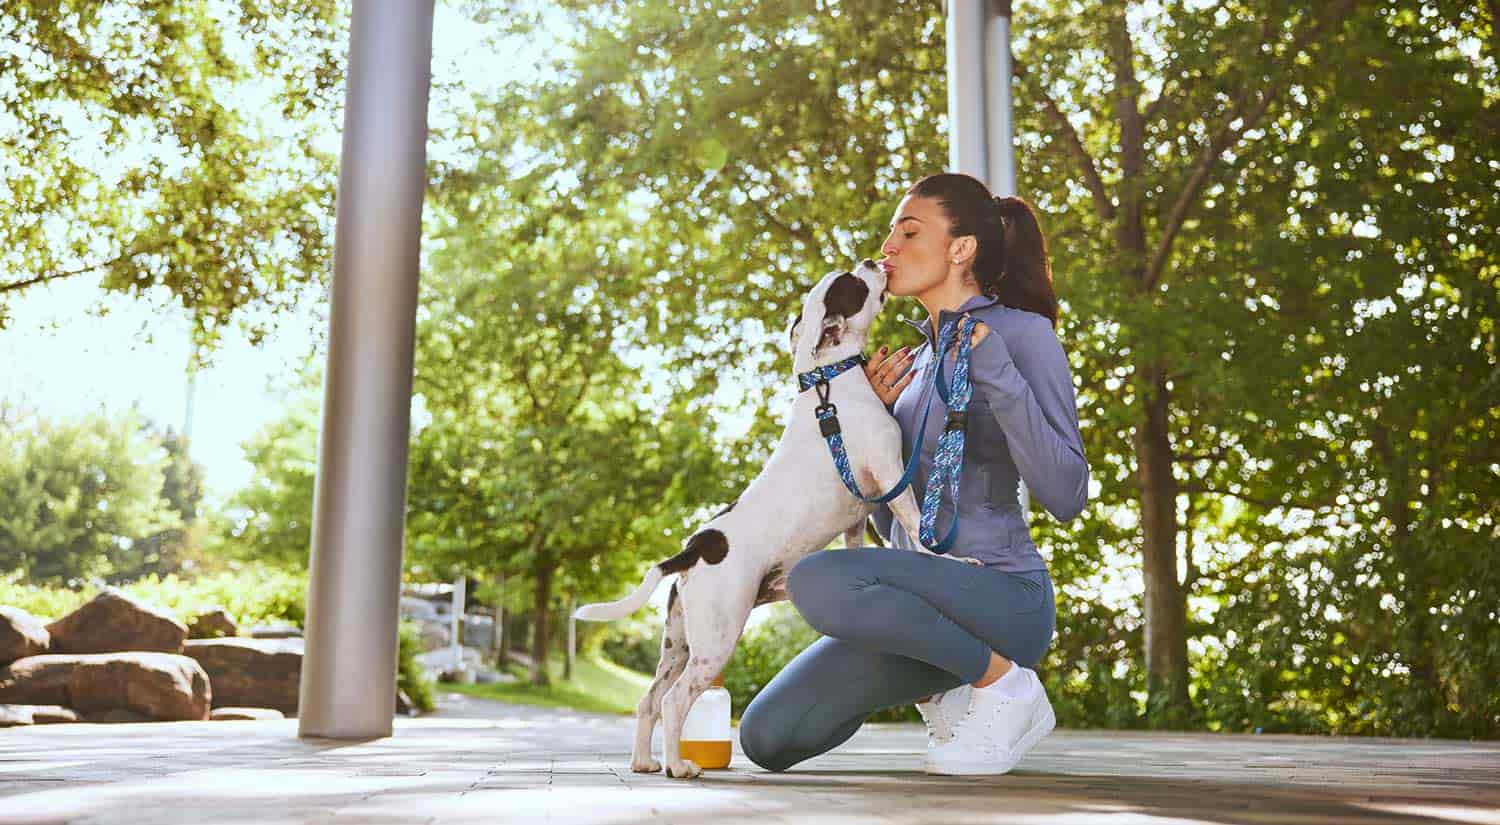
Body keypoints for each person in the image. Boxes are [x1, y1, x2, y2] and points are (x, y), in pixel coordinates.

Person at [737, 172, 1090, 775]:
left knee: (817, 579)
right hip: (924, 604)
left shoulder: (1023, 336)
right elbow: (888, 521)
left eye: (908, 231)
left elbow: (1066, 493)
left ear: (961, 249)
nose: (888, 248)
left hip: (1003, 595)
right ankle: (949, 690)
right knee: (768, 736)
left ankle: (1006, 688)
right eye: (888, 234)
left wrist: (995, 369)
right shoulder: (910, 367)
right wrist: (866, 421)